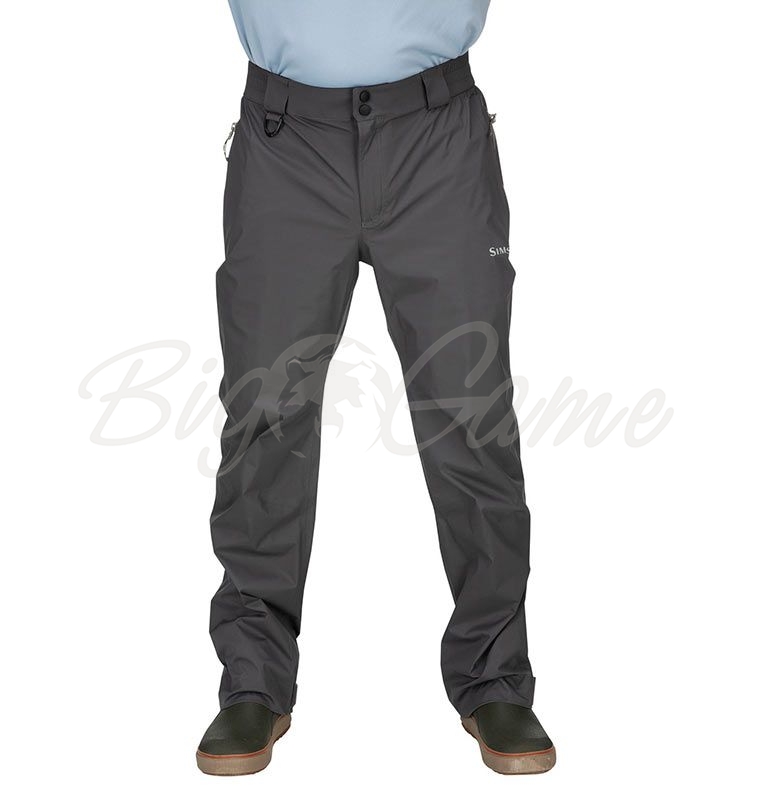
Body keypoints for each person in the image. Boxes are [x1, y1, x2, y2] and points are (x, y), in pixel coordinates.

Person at [196, 0, 555, 776]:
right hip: (287, 140)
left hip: (437, 136)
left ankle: (496, 676)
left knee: (470, 411)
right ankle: (253, 680)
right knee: (265, 412)